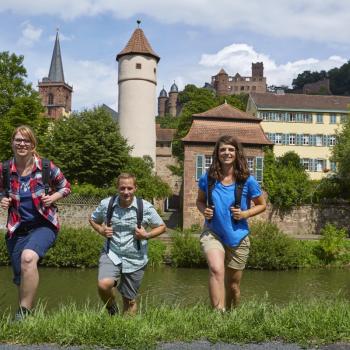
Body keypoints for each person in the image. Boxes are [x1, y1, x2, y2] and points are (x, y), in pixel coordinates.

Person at [0, 125, 71, 320]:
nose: (22, 144)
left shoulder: (46, 167)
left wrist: (53, 197)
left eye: (26, 141)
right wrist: (2, 198)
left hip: (44, 224)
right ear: (12, 143)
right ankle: (27, 315)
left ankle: (22, 314)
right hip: (17, 228)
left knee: (28, 258)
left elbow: (66, 187)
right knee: (20, 277)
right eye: (18, 140)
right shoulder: (5, 168)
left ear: (33, 145)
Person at [196, 135, 266, 311]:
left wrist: (244, 213)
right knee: (216, 269)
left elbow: (262, 205)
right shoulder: (208, 178)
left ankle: (232, 315)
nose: (226, 153)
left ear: (236, 153)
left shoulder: (247, 180)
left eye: (230, 149)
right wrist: (204, 210)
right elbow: (200, 201)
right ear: (217, 153)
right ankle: (217, 316)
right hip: (213, 232)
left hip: (238, 238)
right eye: (222, 149)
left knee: (233, 286)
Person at [89, 173, 166, 315]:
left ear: (135, 188)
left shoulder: (146, 207)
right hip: (111, 253)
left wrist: (146, 235)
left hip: (135, 258)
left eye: (129, 188)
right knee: (103, 285)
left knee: (129, 300)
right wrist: (101, 230)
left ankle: (125, 331)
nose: (126, 192)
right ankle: (112, 309)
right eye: (122, 188)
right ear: (117, 188)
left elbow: (162, 227)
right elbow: (93, 219)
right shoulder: (107, 204)